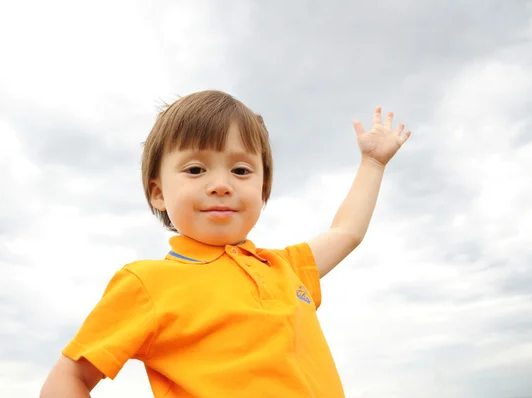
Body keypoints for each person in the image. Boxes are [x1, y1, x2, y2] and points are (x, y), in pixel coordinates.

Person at [40, 90, 411, 397]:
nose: (221, 184)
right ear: (158, 193)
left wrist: (373, 164)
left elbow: (347, 232)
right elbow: (69, 378)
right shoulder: (147, 284)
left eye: (241, 170)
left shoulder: (286, 268)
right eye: (195, 169)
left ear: (263, 189)